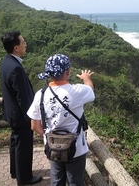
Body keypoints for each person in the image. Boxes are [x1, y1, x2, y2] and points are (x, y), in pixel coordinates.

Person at [27, 54, 95, 186]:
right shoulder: (77, 91)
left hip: (52, 147)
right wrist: (86, 78)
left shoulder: (40, 94)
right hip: (76, 147)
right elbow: (90, 90)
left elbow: (34, 125)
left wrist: (49, 137)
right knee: (75, 181)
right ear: (68, 72)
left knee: (57, 180)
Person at [0, 31, 42, 185]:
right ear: (16, 48)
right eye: (23, 42)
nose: (26, 44)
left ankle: (15, 171)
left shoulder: (6, 61)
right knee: (23, 146)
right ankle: (24, 178)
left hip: (11, 112)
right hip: (20, 115)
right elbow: (22, 98)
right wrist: (30, 117)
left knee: (15, 143)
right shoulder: (16, 68)